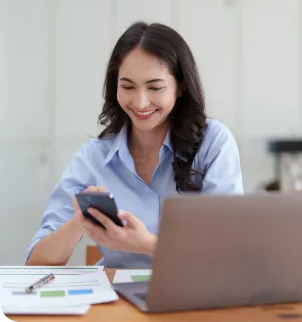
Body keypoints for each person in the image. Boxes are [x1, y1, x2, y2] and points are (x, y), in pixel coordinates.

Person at [26, 21, 244, 268]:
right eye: (128, 86)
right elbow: (38, 263)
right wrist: (81, 219)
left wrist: (144, 244)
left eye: (155, 87)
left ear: (180, 86)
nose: (140, 103)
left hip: (194, 297)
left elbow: (227, 250)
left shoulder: (213, 142)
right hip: (117, 301)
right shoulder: (94, 157)